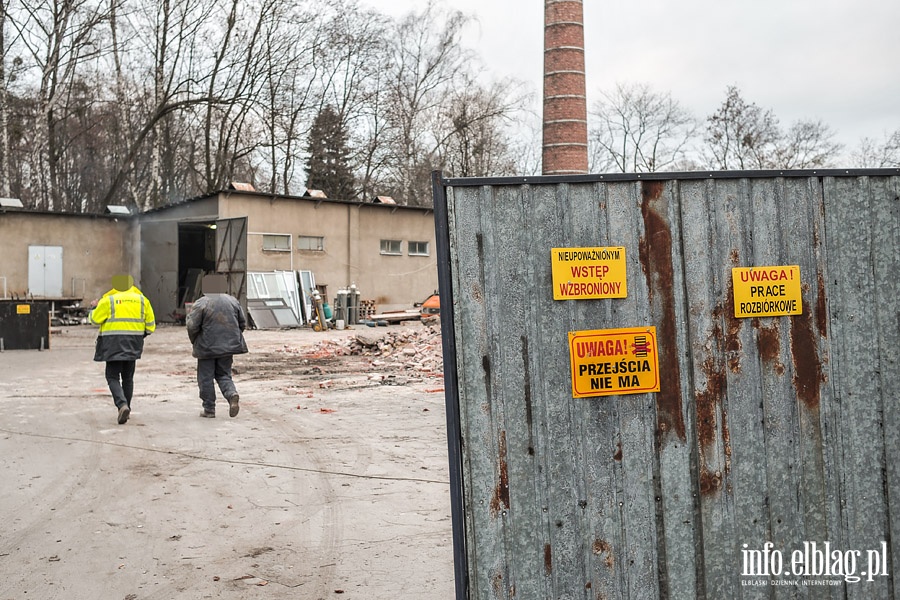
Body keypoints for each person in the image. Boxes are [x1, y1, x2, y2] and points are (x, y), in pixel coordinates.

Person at [91, 274, 156, 424]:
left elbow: (94, 319)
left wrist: (94, 308)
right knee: (128, 378)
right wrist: (139, 336)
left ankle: (121, 404)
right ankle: (127, 407)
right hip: (133, 343)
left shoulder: (109, 300)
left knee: (112, 377)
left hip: (113, 344)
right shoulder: (142, 300)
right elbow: (151, 326)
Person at [186, 274, 248, 418]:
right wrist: (232, 338)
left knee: (205, 378)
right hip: (228, 347)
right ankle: (232, 394)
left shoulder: (201, 303)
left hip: (207, 348)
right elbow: (242, 323)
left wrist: (195, 341)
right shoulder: (233, 301)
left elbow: (192, 326)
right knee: (224, 375)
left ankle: (209, 409)